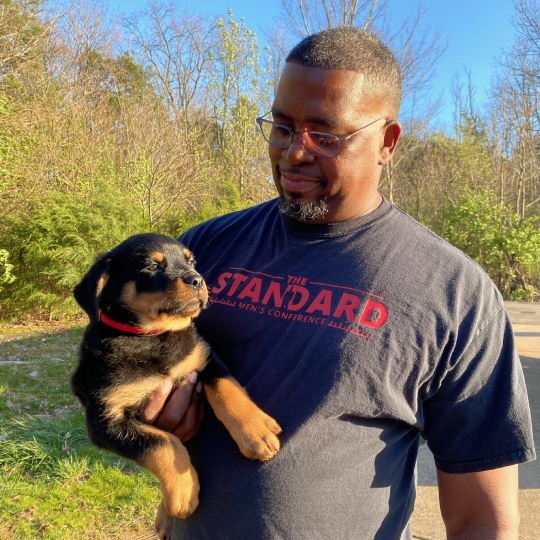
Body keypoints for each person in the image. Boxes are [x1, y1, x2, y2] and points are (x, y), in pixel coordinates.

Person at [141, 27, 536, 539]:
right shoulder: (204, 250)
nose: (295, 152)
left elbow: (480, 517)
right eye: (282, 127)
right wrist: (153, 414)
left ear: (387, 142)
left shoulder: (453, 291)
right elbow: (125, 365)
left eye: (325, 134)